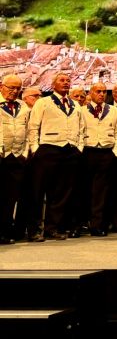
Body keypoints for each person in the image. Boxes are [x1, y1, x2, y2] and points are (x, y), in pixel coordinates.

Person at [26, 73, 86, 241]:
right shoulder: (43, 102)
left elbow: (81, 129)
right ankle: (34, 229)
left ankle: (53, 228)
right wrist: (35, 148)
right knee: (38, 191)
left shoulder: (75, 104)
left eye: (68, 80)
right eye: (62, 80)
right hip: (47, 149)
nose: (66, 83)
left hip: (69, 150)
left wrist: (79, 147)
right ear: (53, 85)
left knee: (61, 192)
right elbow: (33, 126)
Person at [81, 82, 117, 236]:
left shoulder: (113, 111)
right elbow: (79, 131)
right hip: (87, 152)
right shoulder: (82, 111)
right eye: (98, 91)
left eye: (104, 91)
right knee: (84, 190)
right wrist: (80, 150)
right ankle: (81, 223)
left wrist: (115, 152)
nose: (102, 94)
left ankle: (98, 225)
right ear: (90, 93)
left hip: (106, 153)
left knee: (102, 192)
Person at [0, 74, 29, 244]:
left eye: (18, 88)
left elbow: (28, 130)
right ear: (1, 87)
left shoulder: (23, 106)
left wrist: (24, 152)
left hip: (16, 157)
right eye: (11, 87)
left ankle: (5, 231)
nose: (15, 91)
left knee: (10, 198)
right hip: (1, 155)